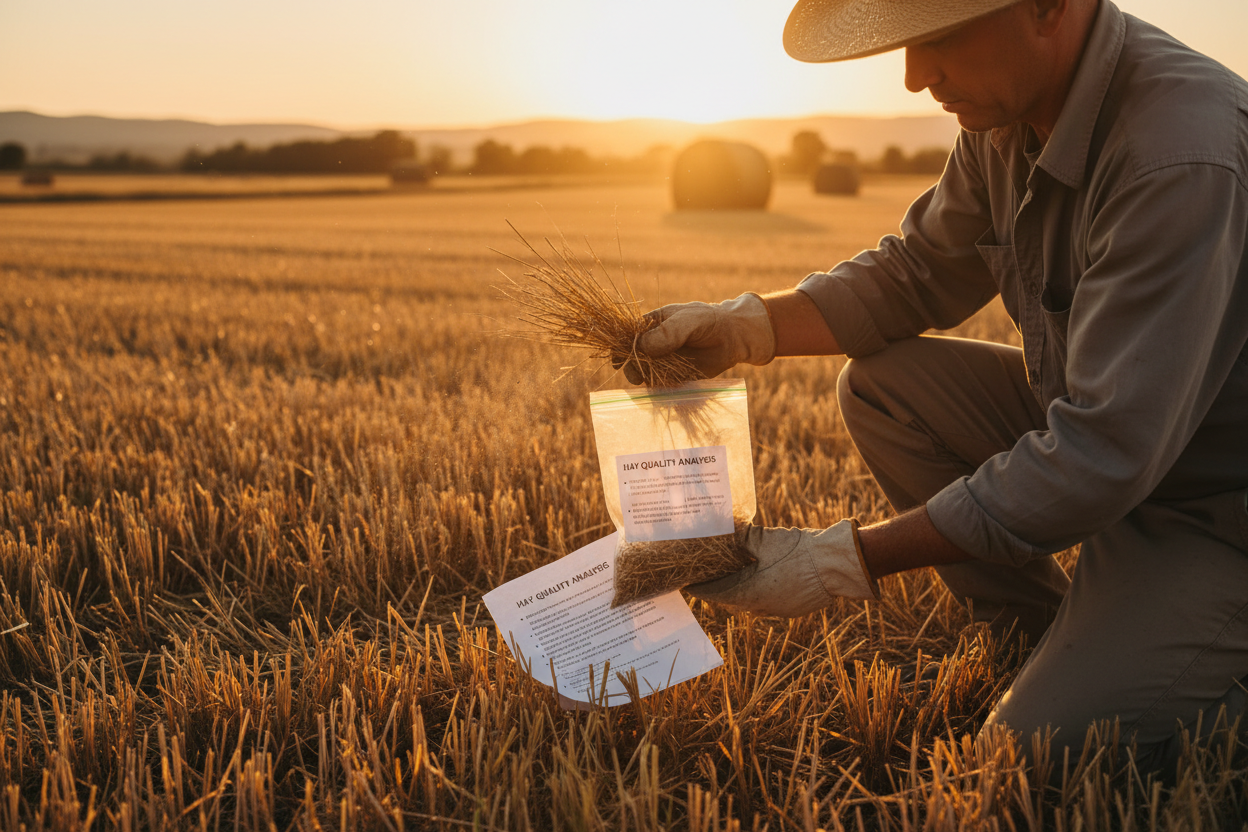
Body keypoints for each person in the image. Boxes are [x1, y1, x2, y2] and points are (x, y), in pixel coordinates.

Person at [625, 0, 1248, 772]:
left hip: (1215, 506)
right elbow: (916, 272)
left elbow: (1102, 455)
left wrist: (837, 561)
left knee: (1031, 756)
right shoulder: (1006, 121)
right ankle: (1038, 634)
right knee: (884, 385)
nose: (915, 76)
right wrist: (746, 327)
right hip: (1121, 438)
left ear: (1049, 8)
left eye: (940, 37)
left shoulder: (1178, 152)